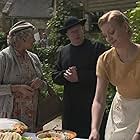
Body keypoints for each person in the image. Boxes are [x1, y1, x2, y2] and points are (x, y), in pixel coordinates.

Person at [89, 10, 140, 140]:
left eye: (112, 32)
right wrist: (94, 129)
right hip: (120, 111)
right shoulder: (104, 60)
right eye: (105, 35)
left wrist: (138, 133)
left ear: (125, 27)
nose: (109, 38)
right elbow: (99, 99)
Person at [52, 16, 106, 138]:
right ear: (67, 35)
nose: (76, 34)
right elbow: (55, 75)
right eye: (72, 32)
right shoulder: (63, 51)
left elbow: (105, 75)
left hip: (92, 102)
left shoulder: (97, 48)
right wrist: (65, 75)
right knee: (70, 135)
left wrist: (80, 76)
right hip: (70, 106)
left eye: (78, 30)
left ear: (83, 30)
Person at [0, 21, 46, 132]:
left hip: (34, 116)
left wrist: (40, 83)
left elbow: (45, 85)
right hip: (12, 116)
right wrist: (15, 88)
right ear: (21, 38)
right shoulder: (3, 57)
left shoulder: (33, 58)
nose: (34, 40)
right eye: (31, 36)